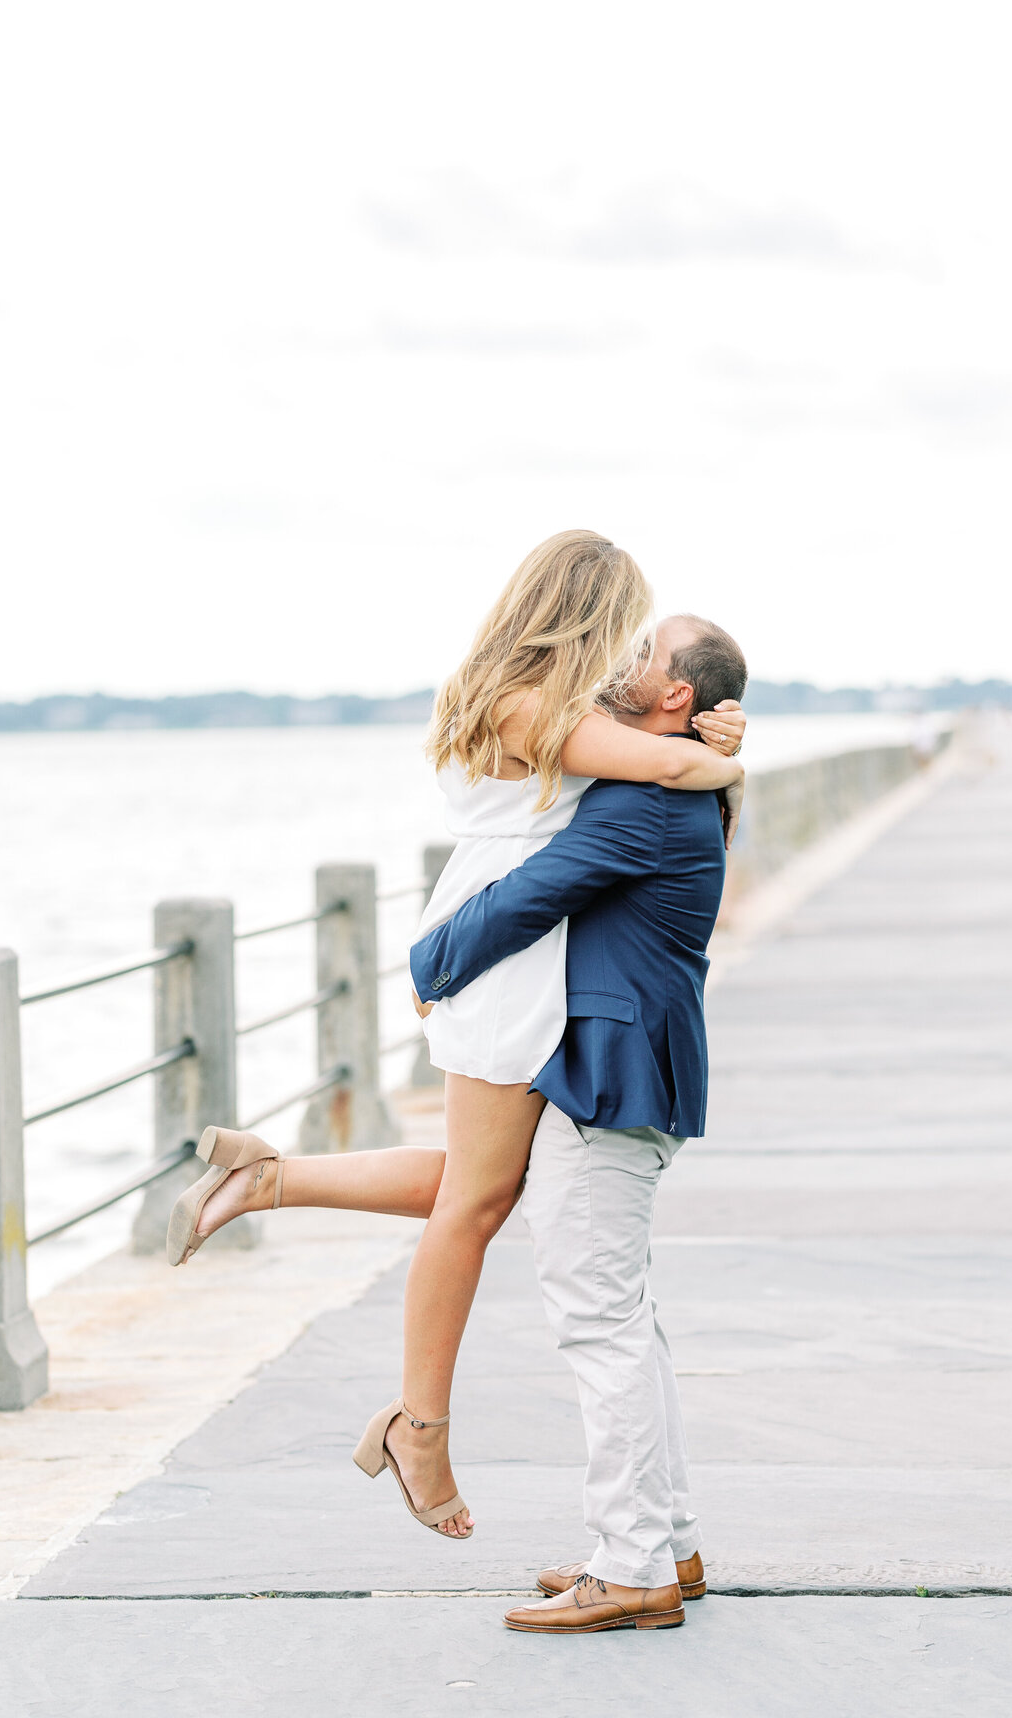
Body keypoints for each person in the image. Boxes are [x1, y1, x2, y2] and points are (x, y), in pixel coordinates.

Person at [165, 531, 745, 1546]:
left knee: (488, 1183)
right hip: (507, 957)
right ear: (588, 615)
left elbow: (647, 747)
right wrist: (715, 747)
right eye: (628, 628)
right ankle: (418, 1423)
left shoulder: (523, 692)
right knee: (478, 1203)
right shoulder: (546, 712)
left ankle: (272, 1179)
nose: (628, 651)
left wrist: (709, 723)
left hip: (512, 951)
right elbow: (663, 763)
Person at [408, 614, 748, 1633]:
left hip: (610, 1080)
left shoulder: (644, 800)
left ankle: (634, 1565)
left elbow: (528, 895)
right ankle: (665, 1541)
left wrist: (429, 969)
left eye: (640, 653)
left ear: (675, 698)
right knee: (624, 1321)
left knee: (599, 1322)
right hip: (624, 1072)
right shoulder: (670, 778)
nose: (618, 661)